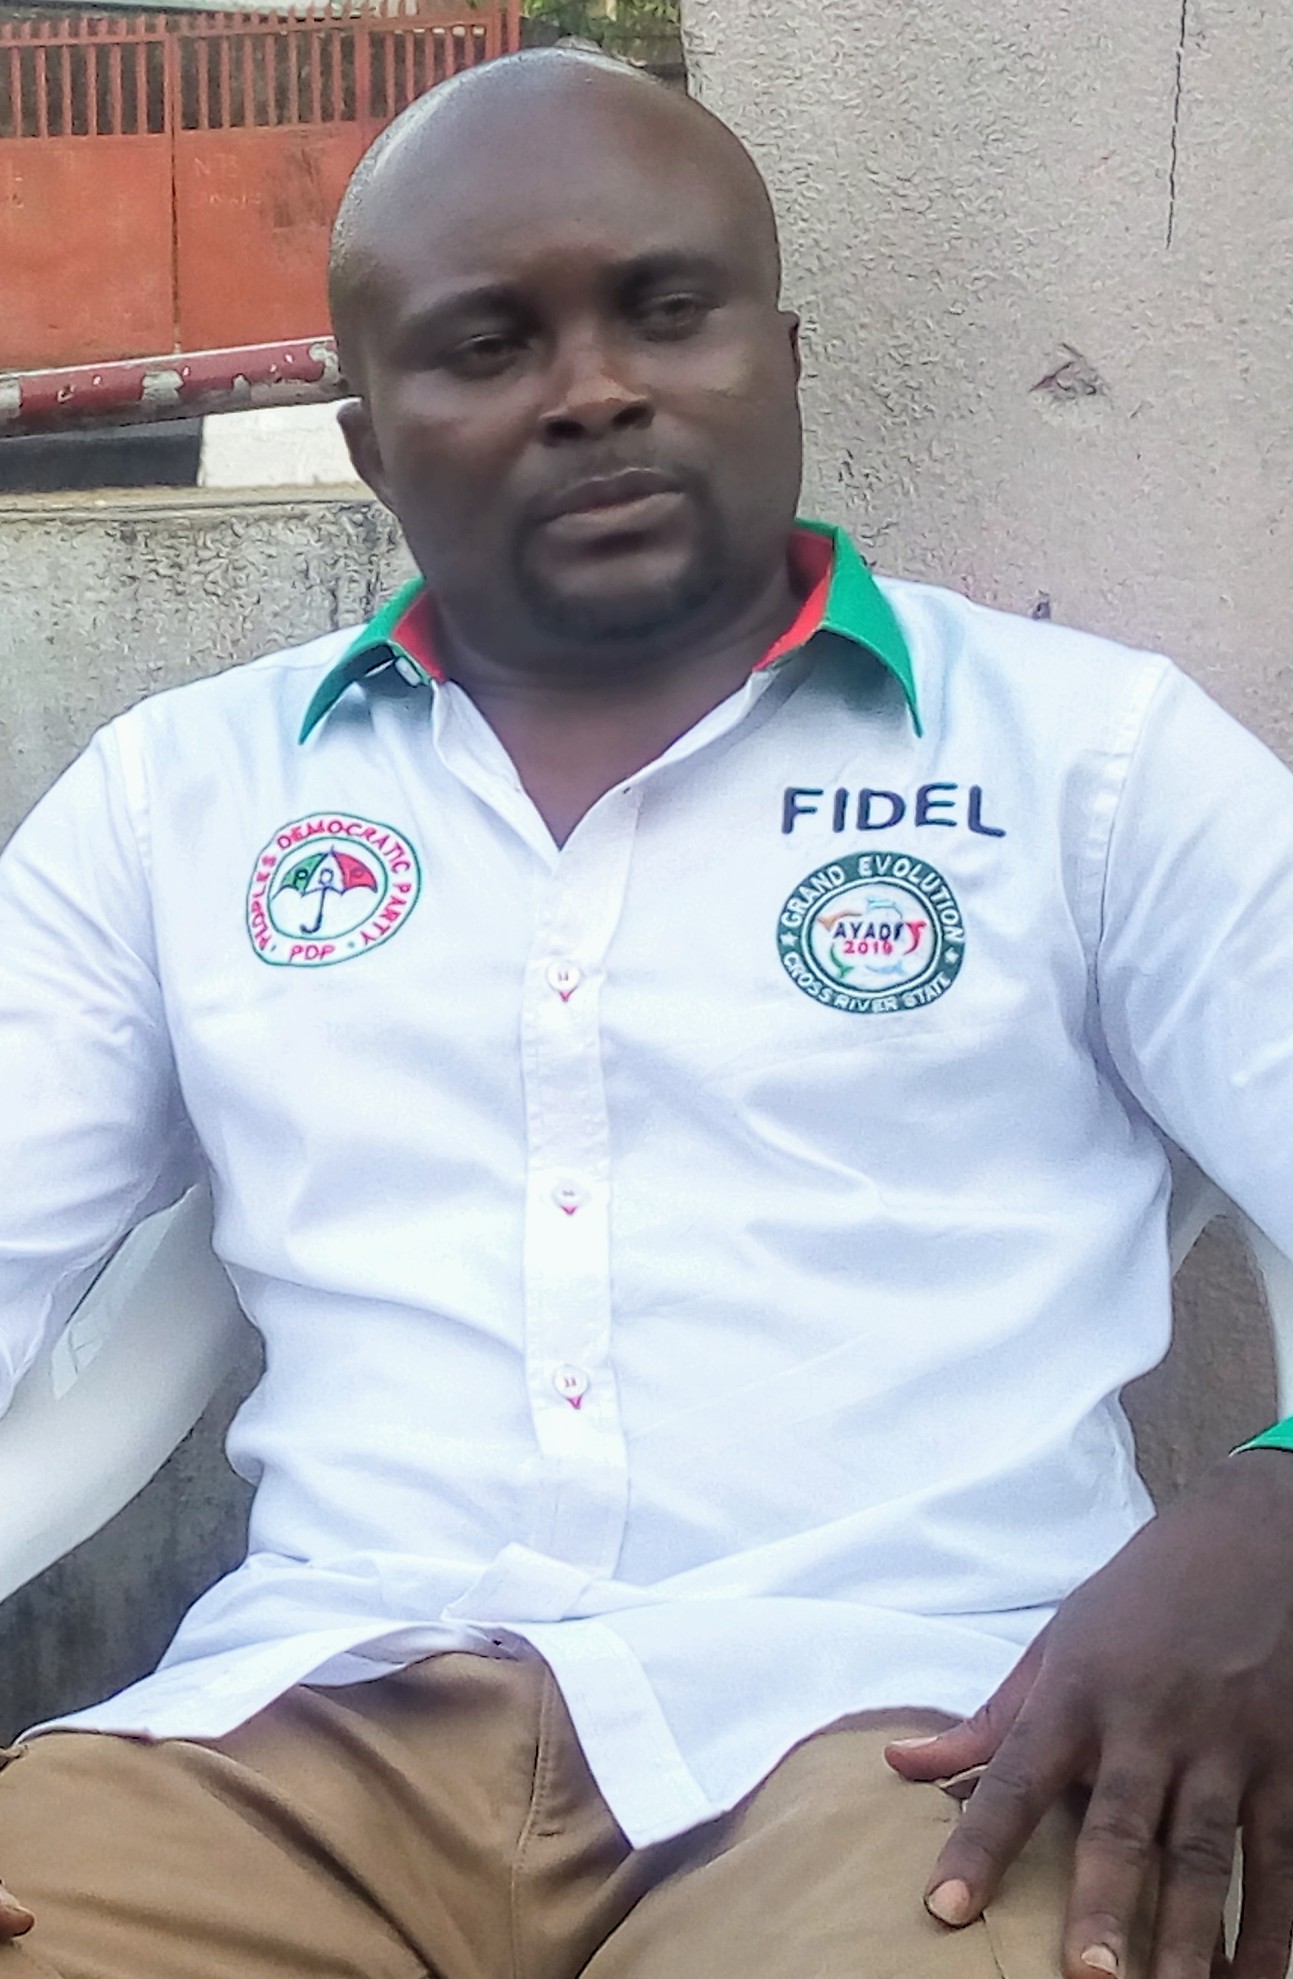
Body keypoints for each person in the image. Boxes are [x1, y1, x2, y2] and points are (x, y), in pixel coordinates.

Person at [0, 44, 1292, 1979]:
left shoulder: (1088, 765)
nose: (592, 389)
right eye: (486, 345)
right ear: (369, 441)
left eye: (666, 312)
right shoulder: (176, 800)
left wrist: (1277, 1509)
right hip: (292, 1746)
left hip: (919, 1734)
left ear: (783, 357)